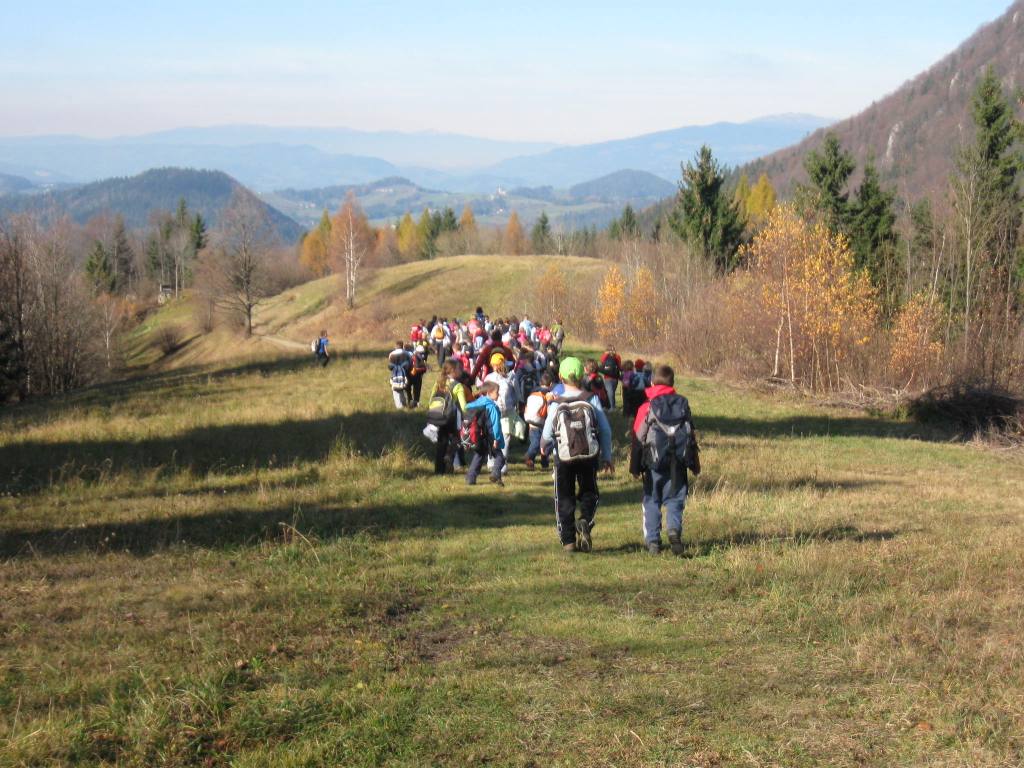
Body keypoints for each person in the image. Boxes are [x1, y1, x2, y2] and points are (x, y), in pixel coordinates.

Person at [541, 357, 614, 553]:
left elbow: (547, 434)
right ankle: (585, 520)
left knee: (564, 498)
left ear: (560, 376)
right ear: (582, 376)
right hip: (588, 455)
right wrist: (607, 456)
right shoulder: (591, 399)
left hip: (563, 457)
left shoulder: (557, 402)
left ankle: (568, 542)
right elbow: (605, 430)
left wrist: (543, 446)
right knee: (590, 492)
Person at [630, 365, 700, 556]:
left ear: (652, 383)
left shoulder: (647, 406)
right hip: (678, 460)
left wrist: (635, 466)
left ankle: (653, 541)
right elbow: (691, 435)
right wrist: (694, 464)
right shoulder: (682, 404)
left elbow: (638, 437)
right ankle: (674, 530)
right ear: (672, 383)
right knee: (676, 498)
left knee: (652, 499)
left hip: (654, 461)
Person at [426, 361, 469, 474]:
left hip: (438, 416)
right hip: (450, 418)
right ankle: (449, 456)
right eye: (459, 369)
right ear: (453, 371)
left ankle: (439, 470)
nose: (461, 371)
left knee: (441, 442)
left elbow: (431, 400)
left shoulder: (439, 382)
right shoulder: (458, 385)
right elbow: (464, 406)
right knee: (456, 439)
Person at [464, 381, 506, 486]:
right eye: (497, 392)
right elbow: (495, 425)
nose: (498, 394)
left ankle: (470, 478)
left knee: (479, 456)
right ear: (489, 392)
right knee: (500, 457)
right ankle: (495, 474)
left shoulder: (475, 403)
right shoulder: (491, 407)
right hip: (491, 437)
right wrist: (496, 439)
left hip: (478, 436)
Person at [523, 371, 554, 470]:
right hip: (543, 422)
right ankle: (530, 457)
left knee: (535, 443)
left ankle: (533, 460)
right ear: (551, 384)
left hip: (531, 422)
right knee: (546, 443)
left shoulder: (533, 392)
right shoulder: (549, 394)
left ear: (540, 383)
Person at [599, 346, 622, 410]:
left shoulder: (606, 356)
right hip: (614, 377)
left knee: (610, 392)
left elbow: (602, 363)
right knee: (611, 392)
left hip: (609, 377)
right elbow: (619, 366)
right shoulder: (617, 356)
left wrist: (606, 354)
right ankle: (611, 406)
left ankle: (611, 406)